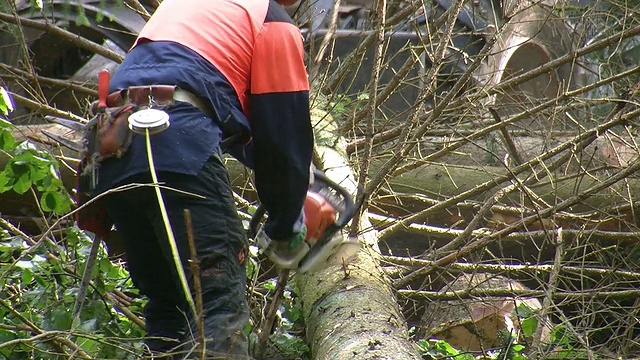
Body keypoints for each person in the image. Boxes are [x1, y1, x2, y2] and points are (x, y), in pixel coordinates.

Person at [89, 0, 313, 358]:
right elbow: (283, 137)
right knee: (217, 300)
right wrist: (287, 221)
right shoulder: (272, 22)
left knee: (169, 309)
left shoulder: (194, 7)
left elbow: (219, 107)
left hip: (112, 149)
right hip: (174, 138)